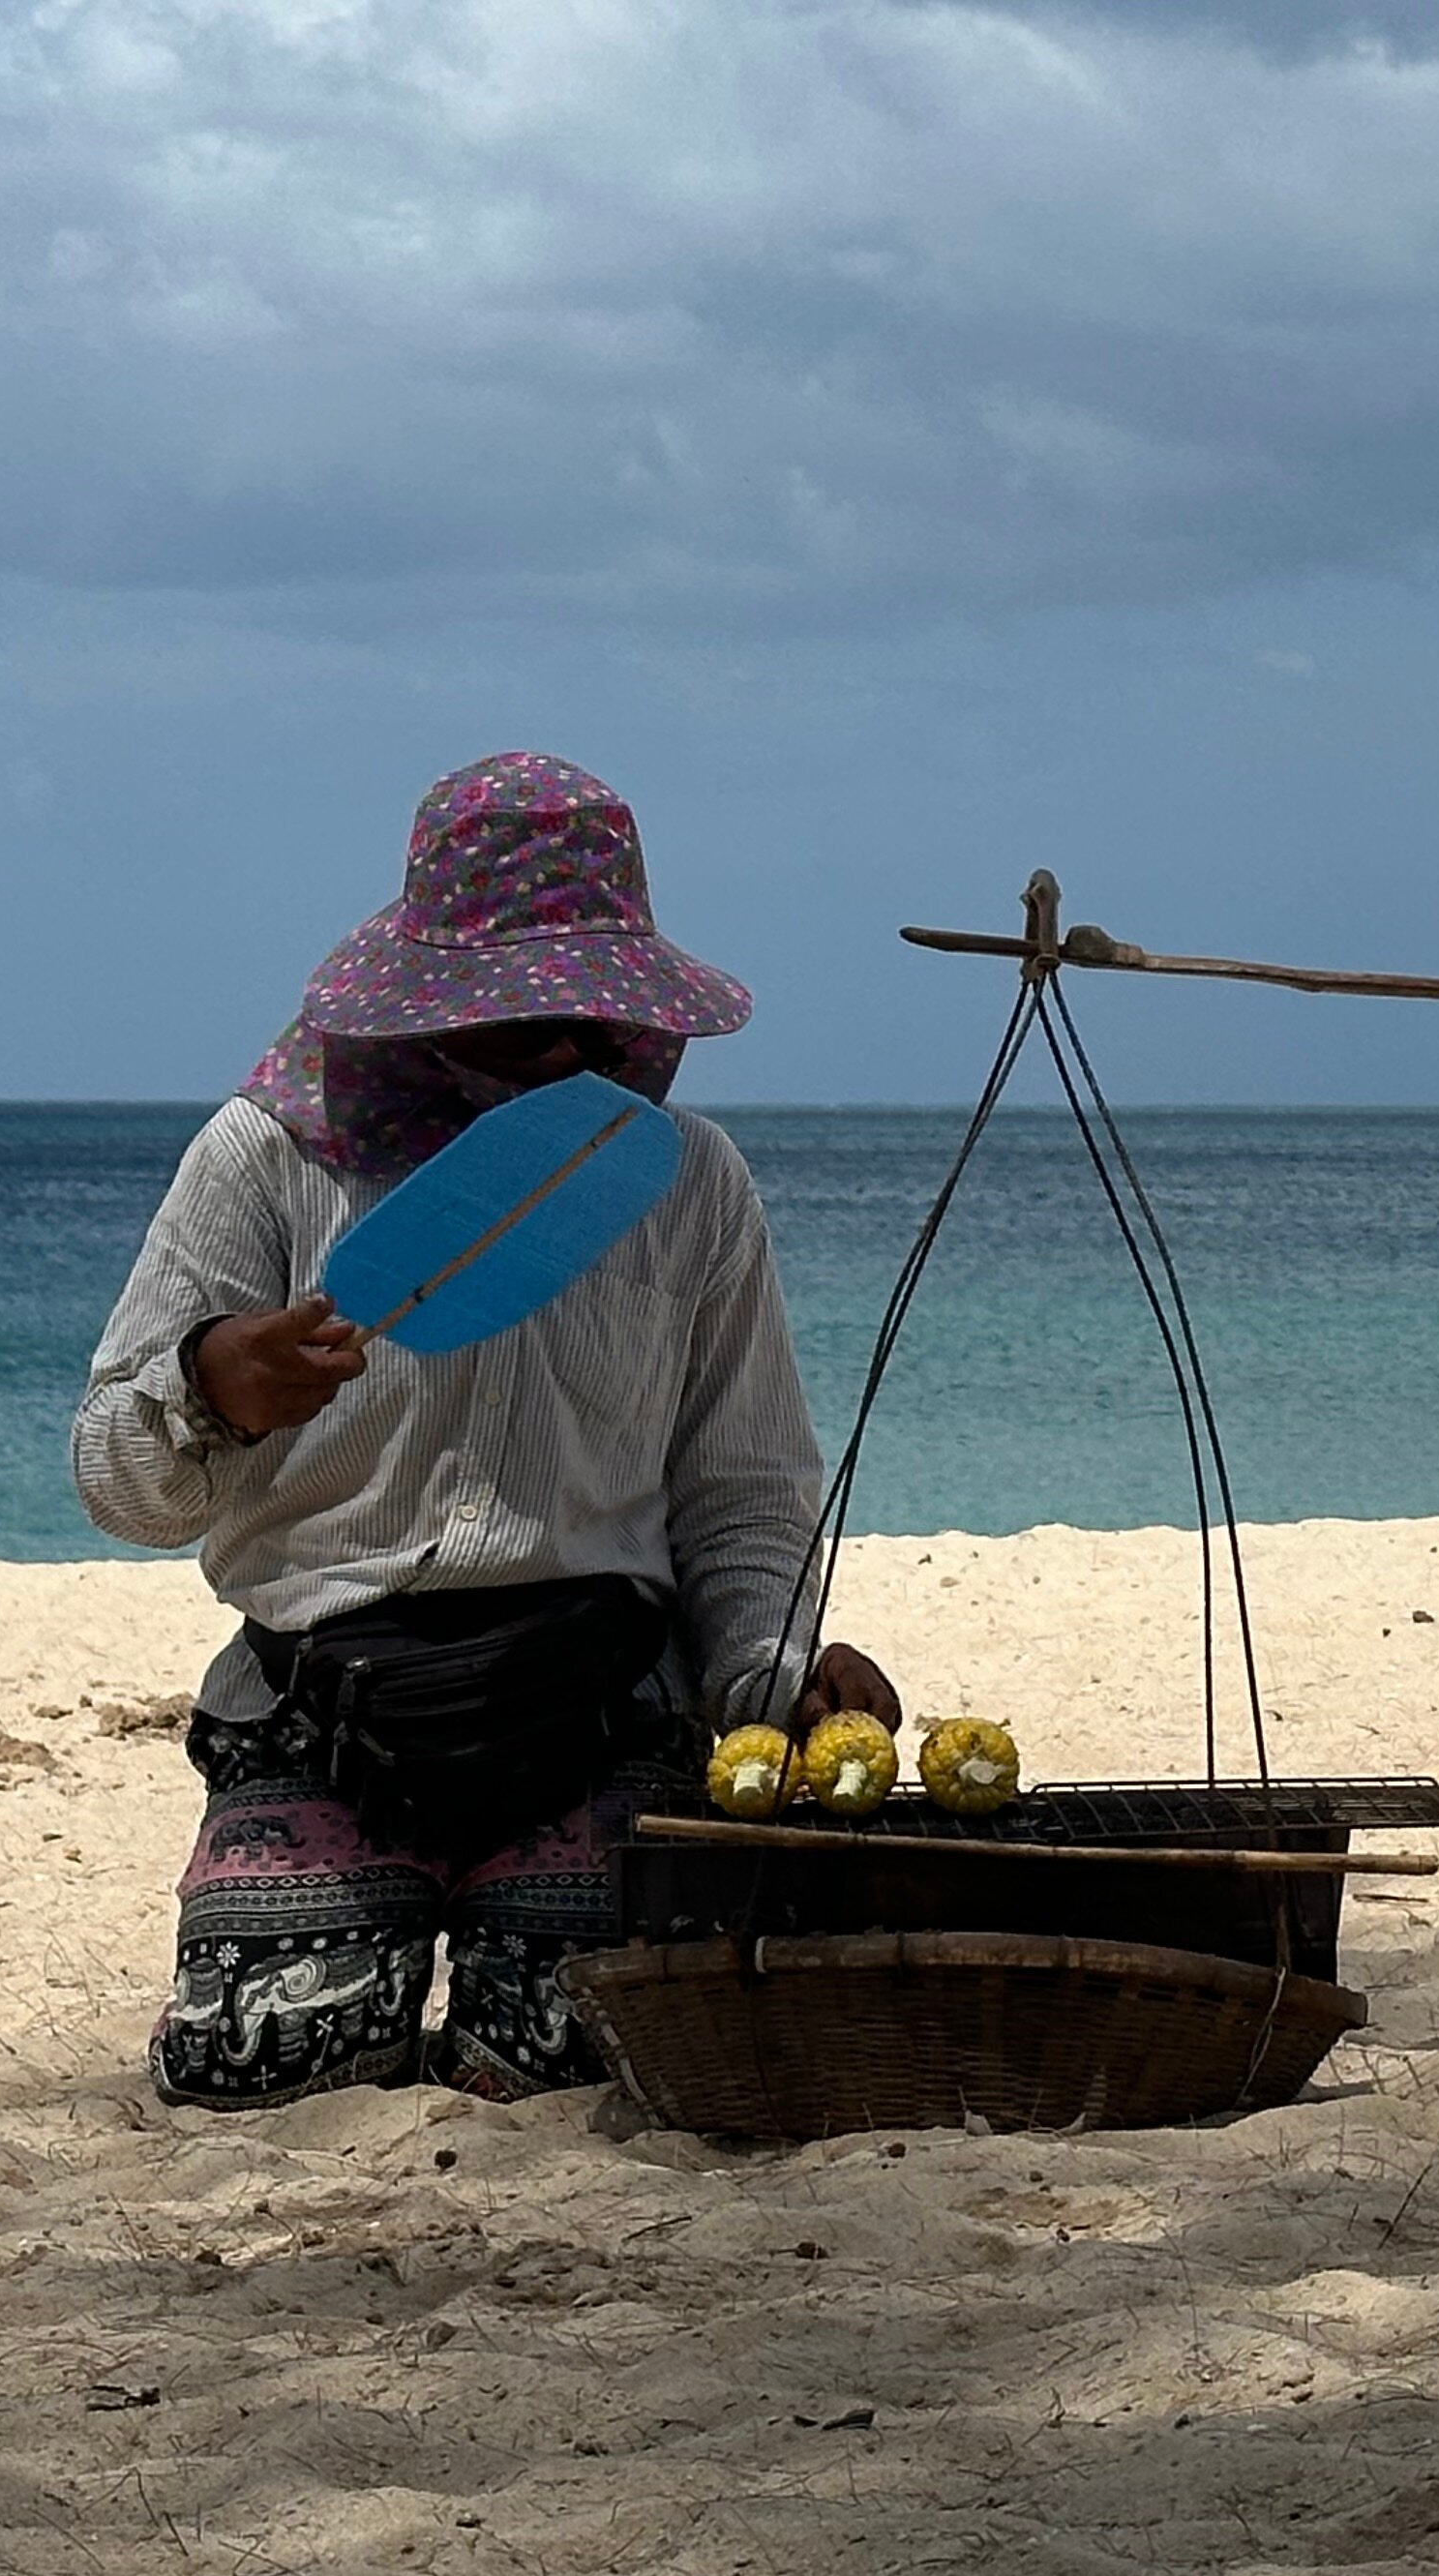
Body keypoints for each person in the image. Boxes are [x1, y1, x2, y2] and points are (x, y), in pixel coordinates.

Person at [73, 751, 897, 2108]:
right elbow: (117, 1480)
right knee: (265, 2078)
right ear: (423, 1009)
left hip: (598, 1713)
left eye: (589, 1019)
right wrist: (212, 1388)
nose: (561, 1053)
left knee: (586, 2082)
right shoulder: (269, 1158)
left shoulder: (687, 1187)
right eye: (516, 1020)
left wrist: (767, 1675)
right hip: (320, 1709)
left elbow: (740, 1492)